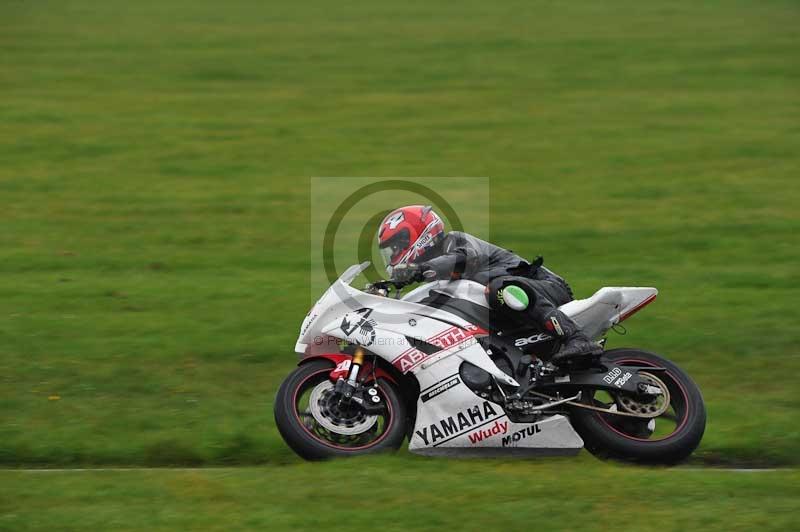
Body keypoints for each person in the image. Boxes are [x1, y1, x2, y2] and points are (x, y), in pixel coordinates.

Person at [376, 205, 602, 365]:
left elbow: (464, 260)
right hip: (511, 318)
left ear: (415, 236)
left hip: (543, 288)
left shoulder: (454, 242)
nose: (394, 256)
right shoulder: (435, 276)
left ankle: (576, 338)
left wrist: (417, 270)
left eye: (396, 247)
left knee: (499, 290)